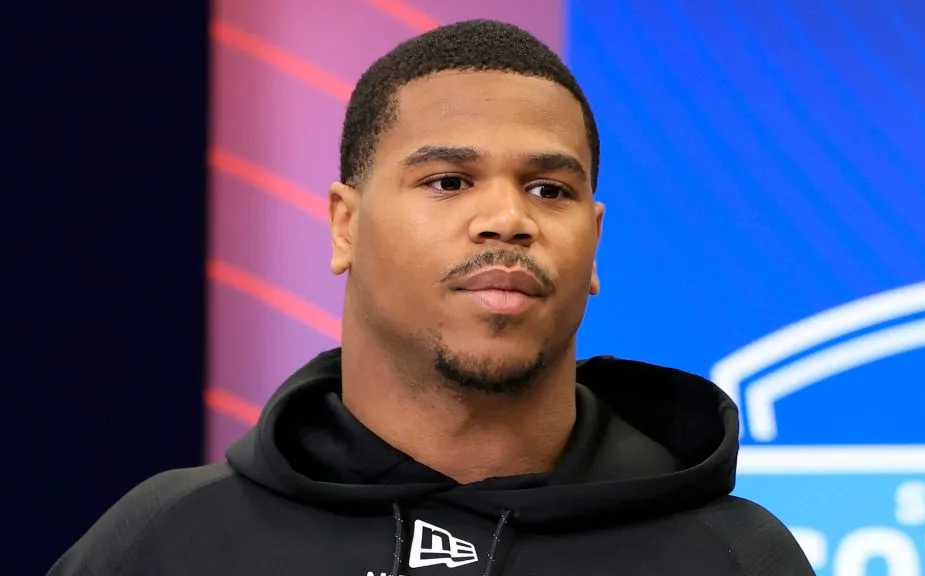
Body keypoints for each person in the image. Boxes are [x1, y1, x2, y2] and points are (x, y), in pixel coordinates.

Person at [50, 19, 813, 576]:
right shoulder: (166, 543)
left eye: (550, 189)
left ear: (594, 241)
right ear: (344, 226)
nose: (508, 219)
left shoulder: (735, 557)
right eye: (449, 181)